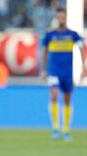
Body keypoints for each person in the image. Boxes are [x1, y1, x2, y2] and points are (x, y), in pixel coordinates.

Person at [40, 8, 86, 140]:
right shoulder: (50, 35)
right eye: (59, 17)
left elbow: (82, 48)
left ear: (66, 18)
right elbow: (44, 52)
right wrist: (43, 69)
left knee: (67, 99)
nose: (61, 19)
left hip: (67, 72)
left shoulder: (72, 35)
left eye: (63, 17)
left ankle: (66, 129)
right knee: (54, 95)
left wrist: (83, 68)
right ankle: (55, 127)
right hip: (54, 71)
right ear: (56, 18)